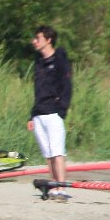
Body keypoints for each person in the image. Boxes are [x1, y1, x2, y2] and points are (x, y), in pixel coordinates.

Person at [27, 25, 72, 199]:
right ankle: (53, 185)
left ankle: (62, 188)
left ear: (48, 40)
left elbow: (67, 87)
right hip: (39, 113)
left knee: (57, 151)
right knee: (47, 153)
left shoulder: (60, 59)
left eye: (37, 38)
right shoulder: (38, 61)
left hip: (54, 113)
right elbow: (38, 91)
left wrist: (62, 109)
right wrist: (32, 115)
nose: (34, 41)